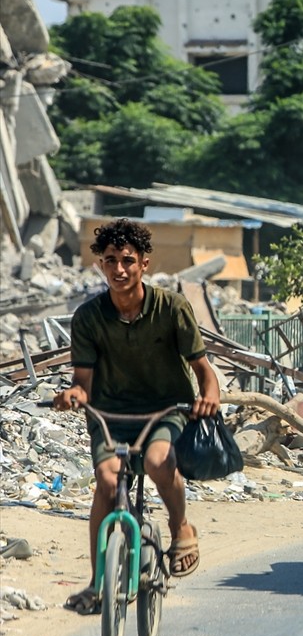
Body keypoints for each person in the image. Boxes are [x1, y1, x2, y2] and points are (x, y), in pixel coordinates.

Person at [54, 219, 220, 615]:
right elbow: (82, 382)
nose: (119, 269)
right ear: (101, 264)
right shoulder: (89, 318)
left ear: (144, 263)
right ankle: (98, 582)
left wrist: (210, 398)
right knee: (108, 485)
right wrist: (72, 396)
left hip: (166, 409)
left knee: (158, 461)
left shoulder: (172, 308)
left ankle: (181, 527)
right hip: (109, 413)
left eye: (128, 260)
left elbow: (203, 370)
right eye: (110, 260)